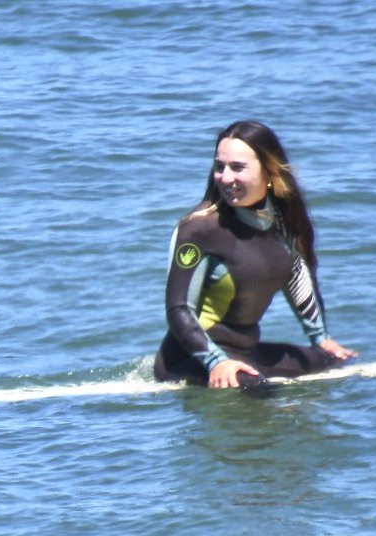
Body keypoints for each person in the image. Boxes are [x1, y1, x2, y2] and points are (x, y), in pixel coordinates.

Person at [153, 120, 357, 388]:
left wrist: (321, 339)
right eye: (220, 166)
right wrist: (217, 361)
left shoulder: (283, 221)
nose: (226, 177)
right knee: (258, 389)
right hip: (190, 359)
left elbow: (296, 277)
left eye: (237, 167)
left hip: (246, 353)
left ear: (269, 172)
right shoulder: (199, 228)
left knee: (339, 364)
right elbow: (178, 309)